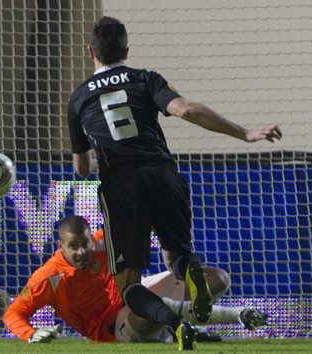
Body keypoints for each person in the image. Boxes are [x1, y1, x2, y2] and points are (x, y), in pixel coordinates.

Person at [67, 17, 282, 349]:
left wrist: (96, 156)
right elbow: (186, 110)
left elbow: (81, 168)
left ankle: (175, 324)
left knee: (129, 286)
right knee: (177, 260)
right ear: (126, 50)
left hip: (122, 182)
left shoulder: (79, 98)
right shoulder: (145, 79)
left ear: (90, 51)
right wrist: (246, 133)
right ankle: (189, 270)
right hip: (164, 174)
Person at [3, 215, 268, 346]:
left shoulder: (101, 242)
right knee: (146, 313)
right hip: (109, 327)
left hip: (131, 293)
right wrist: (30, 334)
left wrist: (163, 221)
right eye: (74, 247)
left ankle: (179, 328)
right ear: (61, 246)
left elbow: (142, 224)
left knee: (217, 279)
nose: (82, 251)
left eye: (85, 243)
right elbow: (13, 314)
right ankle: (236, 316)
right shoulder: (49, 277)